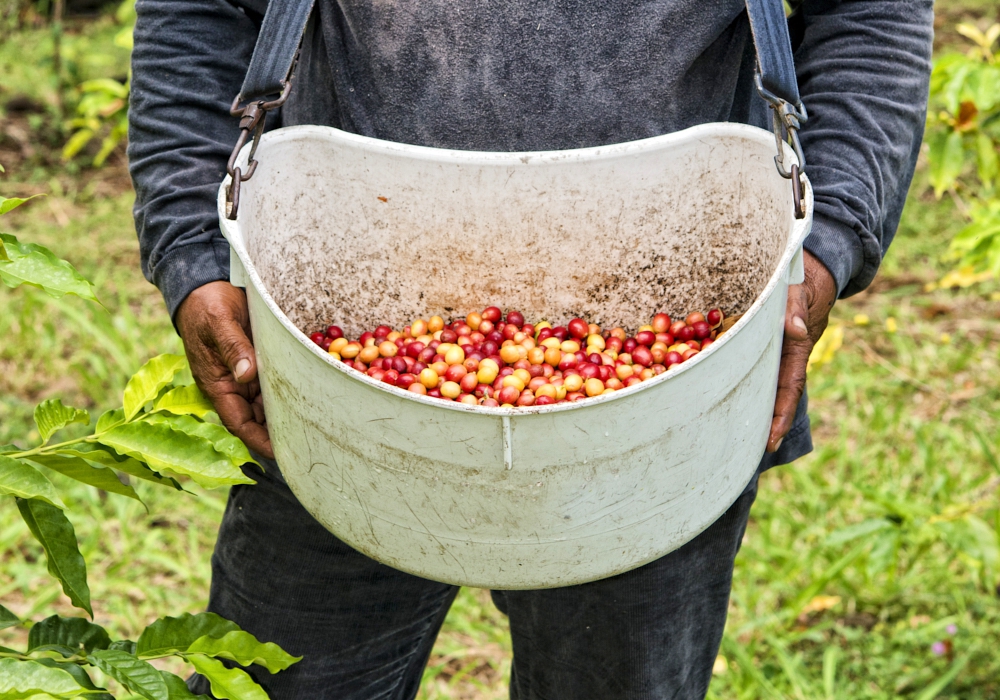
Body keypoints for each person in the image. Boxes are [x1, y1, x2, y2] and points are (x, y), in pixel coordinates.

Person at [128, 1, 933, 697]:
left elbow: (871, 17)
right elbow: (200, 13)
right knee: (288, 677)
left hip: (666, 382)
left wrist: (824, 244)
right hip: (330, 355)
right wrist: (194, 248)